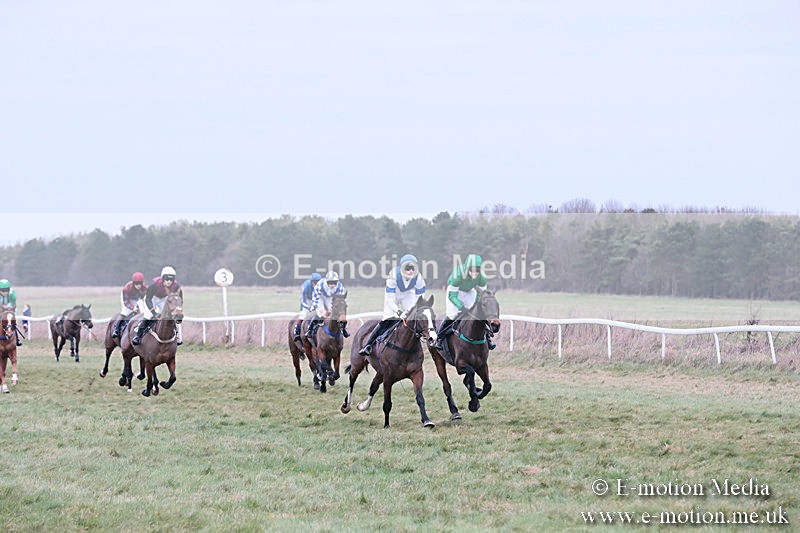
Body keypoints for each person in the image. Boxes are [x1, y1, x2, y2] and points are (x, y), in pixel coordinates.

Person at [359, 254, 426, 355]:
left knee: (414, 317)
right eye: (408, 268)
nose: (411, 271)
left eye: (413, 268)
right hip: (394, 294)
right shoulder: (393, 275)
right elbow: (390, 300)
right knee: (387, 319)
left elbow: (420, 300)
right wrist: (399, 312)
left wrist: (411, 310)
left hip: (408, 293)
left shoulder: (419, 278)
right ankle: (368, 345)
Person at [432, 254, 495, 351]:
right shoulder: (458, 275)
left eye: (477, 270)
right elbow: (452, 296)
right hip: (455, 292)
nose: (475, 273)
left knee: (478, 314)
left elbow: (481, 295)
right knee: (453, 315)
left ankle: (488, 338)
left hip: (469, 291)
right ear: (467, 268)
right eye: (472, 270)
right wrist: (461, 306)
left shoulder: (482, 277)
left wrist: (476, 305)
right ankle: (439, 339)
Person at [132, 266, 184, 346]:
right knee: (148, 316)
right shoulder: (154, 286)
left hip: (164, 299)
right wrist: (153, 312)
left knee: (171, 316)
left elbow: (179, 298)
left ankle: (177, 336)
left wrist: (177, 310)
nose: (169, 282)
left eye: (171, 280)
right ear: (163, 279)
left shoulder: (176, 286)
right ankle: (138, 336)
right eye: (167, 279)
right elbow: (148, 299)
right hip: (152, 299)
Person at [305, 271, 349, 340]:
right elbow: (315, 298)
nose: (332, 285)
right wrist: (321, 309)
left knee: (334, 313)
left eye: (334, 283)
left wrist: (333, 308)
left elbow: (342, 300)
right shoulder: (320, 285)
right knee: (320, 314)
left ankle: (343, 329)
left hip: (330, 298)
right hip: (319, 297)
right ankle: (310, 330)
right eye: (330, 283)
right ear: (326, 282)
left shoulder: (340, 287)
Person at [112, 272, 149, 339]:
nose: (138, 286)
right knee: (125, 312)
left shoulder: (146, 288)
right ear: (133, 283)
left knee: (144, 312)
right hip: (128, 298)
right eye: (136, 283)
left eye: (140, 283)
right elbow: (126, 302)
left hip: (138, 298)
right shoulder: (126, 289)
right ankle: (116, 329)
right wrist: (133, 308)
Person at [292, 272, 322, 342]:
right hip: (307, 300)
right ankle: (297, 331)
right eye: (315, 282)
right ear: (311, 282)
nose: (316, 284)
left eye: (318, 282)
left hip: (317, 300)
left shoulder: (323, 285)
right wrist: (309, 307)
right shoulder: (305, 286)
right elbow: (302, 299)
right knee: (303, 315)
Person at [0, 279, 22, 346]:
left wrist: (9, 310)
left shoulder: (12, 294)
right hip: (1, 307)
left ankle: (17, 339)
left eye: (6, 290)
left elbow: (13, 304)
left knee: (11, 321)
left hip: (10, 306)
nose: (4, 292)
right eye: (2, 290)